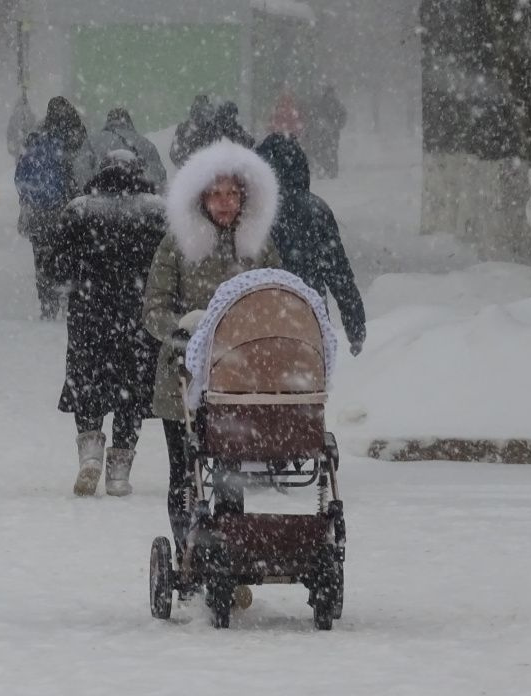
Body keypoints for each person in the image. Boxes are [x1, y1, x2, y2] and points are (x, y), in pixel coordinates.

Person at [142, 141, 282, 563]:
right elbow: (154, 308)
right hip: (184, 381)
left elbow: (278, 300)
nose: (225, 203)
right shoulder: (177, 245)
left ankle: (228, 555)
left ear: (244, 198)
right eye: (216, 194)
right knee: (184, 472)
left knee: (229, 475)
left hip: (238, 380)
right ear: (201, 198)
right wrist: (182, 333)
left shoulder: (259, 248)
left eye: (232, 194)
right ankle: (190, 554)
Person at [53, 151, 166, 496]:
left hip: (90, 315)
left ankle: (89, 455)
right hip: (138, 317)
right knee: (130, 392)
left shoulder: (79, 209)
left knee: (89, 382)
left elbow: (56, 268)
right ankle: (119, 471)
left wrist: (78, 283)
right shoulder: (158, 211)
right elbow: (170, 265)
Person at [255, 133, 366, 354]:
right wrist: (355, 325)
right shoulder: (316, 210)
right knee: (307, 380)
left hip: (259, 317)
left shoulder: (254, 210)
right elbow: (338, 272)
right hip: (308, 314)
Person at [15, 96, 94, 320]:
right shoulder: (78, 137)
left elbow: (21, 176)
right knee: (71, 253)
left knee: (41, 256)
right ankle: (69, 297)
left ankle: (47, 303)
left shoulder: (36, 137)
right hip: (70, 209)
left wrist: (28, 200)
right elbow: (87, 171)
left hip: (39, 210)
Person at [89, 108, 168, 192]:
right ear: (129, 122)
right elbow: (159, 177)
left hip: (100, 195)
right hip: (139, 197)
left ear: (108, 122)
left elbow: (82, 174)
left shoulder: (92, 142)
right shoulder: (145, 144)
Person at [307, 84, 347, 178]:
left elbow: (343, 116)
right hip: (322, 133)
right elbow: (313, 115)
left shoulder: (337, 104)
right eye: (329, 92)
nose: (330, 95)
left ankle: (333, 171)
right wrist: (317, 124)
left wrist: (337, 126)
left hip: (333, 133)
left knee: (332, 151)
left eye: (332, 92)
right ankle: (325, 169)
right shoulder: (320, 103)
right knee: (321, 151)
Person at [169, 95, 218, 168]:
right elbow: (175, 154)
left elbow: (175, 154)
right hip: (204, 171)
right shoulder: (214, 128)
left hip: (198, 171)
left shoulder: (213, 129)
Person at [6, 94, 37, 161]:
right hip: (28, 150)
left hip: (22, 149)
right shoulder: (31, 117)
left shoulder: (13, 118)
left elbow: (9, 134)